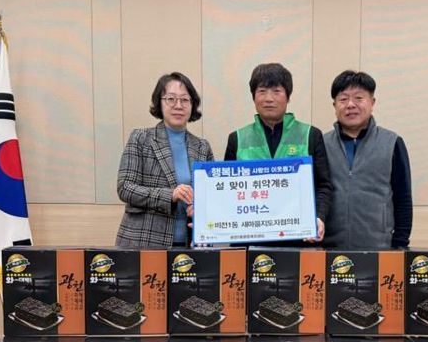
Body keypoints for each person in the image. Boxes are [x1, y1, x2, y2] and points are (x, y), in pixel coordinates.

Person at [224, 62, 332, 243]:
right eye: (262, 91)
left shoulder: (310, 135)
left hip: (299, 238)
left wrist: (319, 217)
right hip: (250, 239)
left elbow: (323, 186)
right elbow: (227, 191)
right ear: (253, 97)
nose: (269, 98)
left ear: (288, 96)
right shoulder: (237, 138)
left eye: (276, 91)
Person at [116, 72, 213, 248]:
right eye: (171, 99)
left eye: (185, 100)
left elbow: (211, 195)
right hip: (144, 242)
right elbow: (125, 188)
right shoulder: (141, 138)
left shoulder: (202, 147)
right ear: (159, 103)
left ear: (192, 105)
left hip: (189, 244)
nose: (178, 105)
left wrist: (201, 208)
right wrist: (170, 195)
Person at [323, 70, 412, 250]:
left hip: (380, 249)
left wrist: (400, 244)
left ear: (372, 102)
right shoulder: (322, 144)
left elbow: (403, 198)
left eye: (358, 98)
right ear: (334, 106)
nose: (350, 105)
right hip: (330, 250)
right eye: (343, 99)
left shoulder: (392, 142)